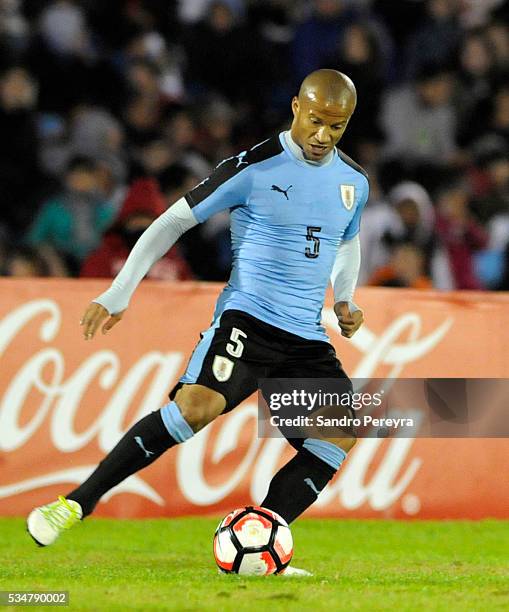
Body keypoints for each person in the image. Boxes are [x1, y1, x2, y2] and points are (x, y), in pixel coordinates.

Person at [27, 69, 369, 576]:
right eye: (316, 121)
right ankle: (75, 504)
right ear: (295, 106)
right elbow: (170, 222)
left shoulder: (353, 182)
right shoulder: (251, 167)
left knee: (343, 431)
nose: (323, 136)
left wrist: (344, 299)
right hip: (249, 321)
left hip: (304, 337)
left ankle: (261, 536)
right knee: (195, 406)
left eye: (336, 127)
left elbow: (346, 241)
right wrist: (119, 291)